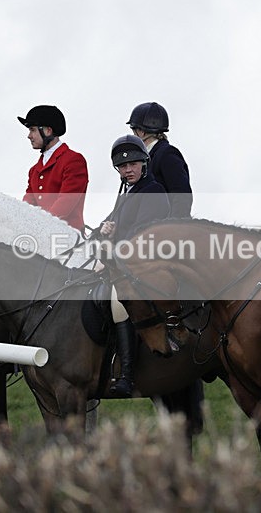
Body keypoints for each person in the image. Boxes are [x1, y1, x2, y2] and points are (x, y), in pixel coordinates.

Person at [98, 134, 170, 397]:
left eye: (133, 165)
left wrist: (114, 239)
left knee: (119, 303)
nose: (128, 170)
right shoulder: (126, 193)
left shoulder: (154, 190)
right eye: (122, 166)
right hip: (120, 262)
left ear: (144, 163)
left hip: (144, 265)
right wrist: (101, 231)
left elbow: (143, 235)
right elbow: (107, 226)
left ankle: (126, 376)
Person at [18, 105, 89, 231]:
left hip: (68, 237)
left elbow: (66, 202)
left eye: (33, 130)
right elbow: (27, 205)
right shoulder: (34, 171)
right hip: (40, 235)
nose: (29, 135)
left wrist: (39, 227)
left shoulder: (73, 160)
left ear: (48, 131)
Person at [127, 102, 192, 217]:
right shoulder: (141, 159)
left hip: (161, 229)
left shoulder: (167, 154)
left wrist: (173, 229)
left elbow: (181, 196)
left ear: (142, 132)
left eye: (134, 130)